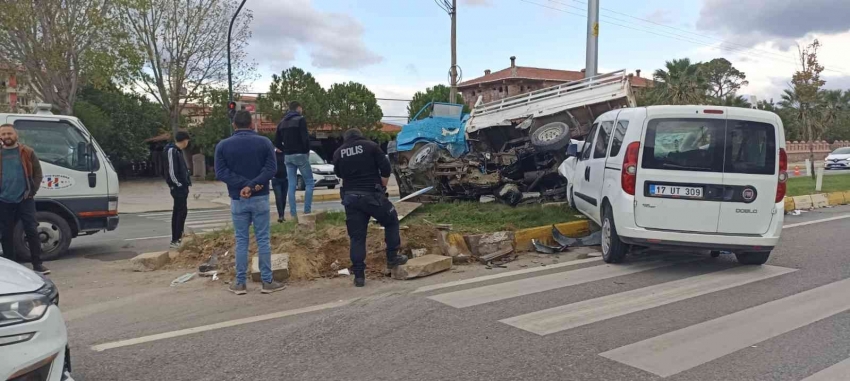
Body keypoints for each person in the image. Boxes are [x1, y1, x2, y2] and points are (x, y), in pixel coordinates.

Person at [215, 110, 285, 295]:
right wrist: (253, 186)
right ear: (252, 123)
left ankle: (240, 283)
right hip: (260, 196)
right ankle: (267, 282)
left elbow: (221, 172)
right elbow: (271, 168)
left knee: (241, 241)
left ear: (234, 125)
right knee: (263, 240)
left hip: (238, 198)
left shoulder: (223, 145)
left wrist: (243, 186)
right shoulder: (264, 142)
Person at [333, 128, 408, 287]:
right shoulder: (371, 146)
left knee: (357, 237)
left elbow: (339, 174)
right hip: (371, 196)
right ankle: (392, 257)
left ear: (346, 139)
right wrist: (383, 185)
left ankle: (359, 276)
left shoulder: (339, 152)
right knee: (392, 220)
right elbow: (386, 168)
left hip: (351, 199)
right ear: (360, 136)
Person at [0, 124, 49, 274]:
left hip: (25, 199)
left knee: (32, 231)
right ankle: (11, 267)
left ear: (16, 135)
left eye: (9, 133)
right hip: (4, 200)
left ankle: (38, 264)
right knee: (6, 234)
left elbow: (38, 173)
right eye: (3, 134)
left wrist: (32, 191)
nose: (6, 136)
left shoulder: (27, 152)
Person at [274, 101, 313, 220]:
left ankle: (293, 214)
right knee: (309, 182)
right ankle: (307, 212)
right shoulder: (300, 120)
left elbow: (276, 142)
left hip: (288, 156)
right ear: (298, 108)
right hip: (301, 154)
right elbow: (305, 138)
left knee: (291, 184)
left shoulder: (282, 122)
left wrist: (285, 149)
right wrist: (306, 151)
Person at [164, 131, 192, 249]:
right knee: (179, 212)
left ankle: (178, 236)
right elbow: (171, 172)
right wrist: (179, 184)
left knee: (181, 212)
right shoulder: (171, 150)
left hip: (182, 187)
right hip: (177, 187)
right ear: (185, 140)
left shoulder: (177, 151)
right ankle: (176, 239)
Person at [271, 150, 288, 222]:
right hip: (276, 179)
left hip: (285, 179)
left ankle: (283, 214)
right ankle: (280, 215)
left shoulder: (286, 154)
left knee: (283, 198)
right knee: (278, 197)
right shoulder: (273, 154)